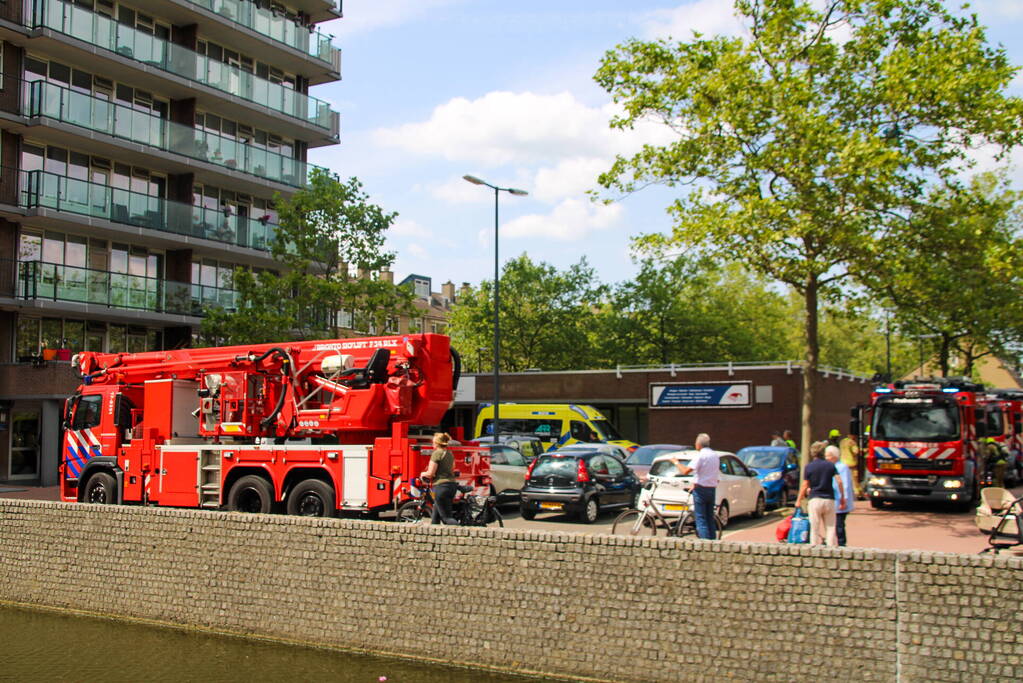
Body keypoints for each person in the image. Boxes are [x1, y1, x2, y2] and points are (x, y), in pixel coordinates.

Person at [794, 440, 845, 547]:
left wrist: (799, 500)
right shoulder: (830, 466)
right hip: (829, 499)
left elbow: (805, 485)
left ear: (812, 453)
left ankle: (814, 547)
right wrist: (842, 497)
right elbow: (839, 481)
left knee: (814, 527)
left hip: (814, 499)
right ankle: (831, 549)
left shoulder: (809, 467)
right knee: (830, 527)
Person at [670, 433, 719, 540]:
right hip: (711, 489)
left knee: (701, 519)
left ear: (698, 444)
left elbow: (685, 471)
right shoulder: (715, 455)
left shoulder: (700, 456)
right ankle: (714, 544)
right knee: (710, 518)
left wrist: (676, 462)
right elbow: (709, 473)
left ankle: (705, 545)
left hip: (701, 490)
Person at [420, 432, 458, 525]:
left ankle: (462, 531)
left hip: (441, 487)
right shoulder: (450, 454)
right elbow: (452, 468)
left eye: (433, 442)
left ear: (437, 443)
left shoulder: (437, 453)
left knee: (446, 519)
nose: (432, 444)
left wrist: (422, 474)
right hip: (451, 486)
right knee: (435, 517)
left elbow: (431, 473)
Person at [826, 445, 854, 546]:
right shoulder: (830, 467)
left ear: (834, 456)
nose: (826, 458)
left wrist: (844, 499)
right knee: (832, 524)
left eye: (828, 456)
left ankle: (842, 543)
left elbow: (845, 484)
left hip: (840, 500)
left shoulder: (842, 467)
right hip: (833, 499)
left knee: (839, 524)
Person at [839, 430, 863, 499]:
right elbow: (856, 451)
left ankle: (843, 494)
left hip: (843, 463)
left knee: (844, 480)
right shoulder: (852, 442)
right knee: (855, 481)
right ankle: (858, 495)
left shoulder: (842, 441)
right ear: (853, 436)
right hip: (851, 464)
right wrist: (863, 450)